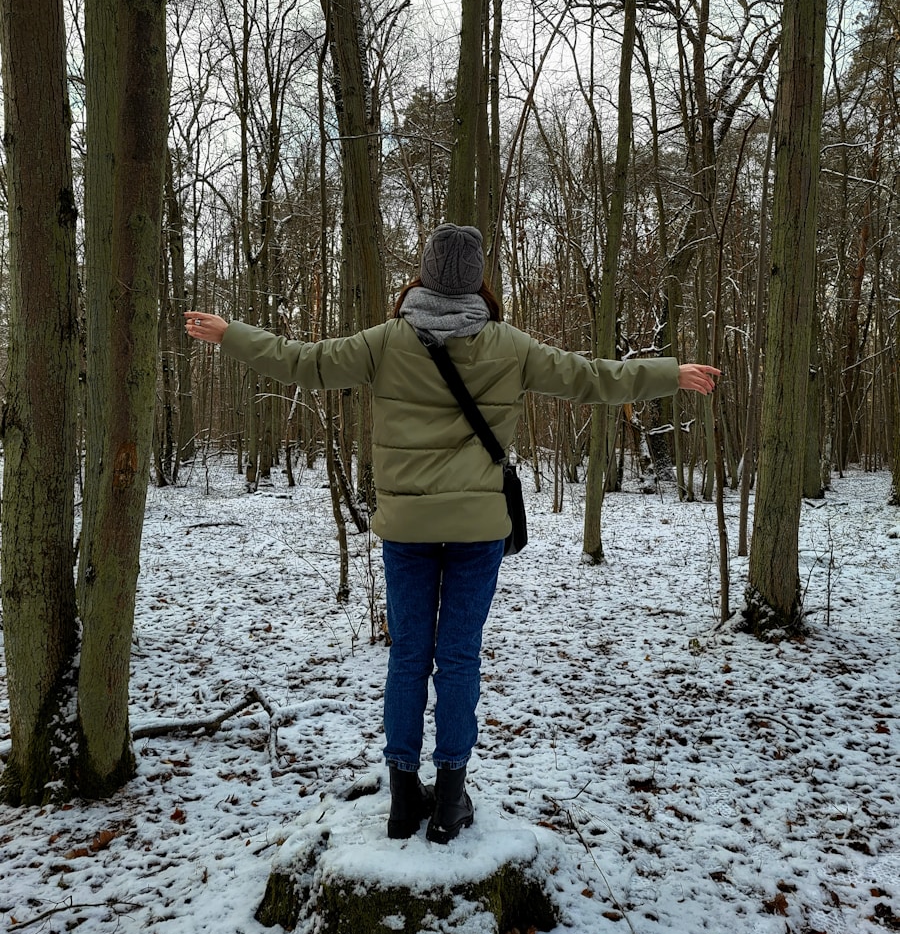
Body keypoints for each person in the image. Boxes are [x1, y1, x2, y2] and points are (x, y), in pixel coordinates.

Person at [186, 224, 719, 844]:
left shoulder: (386, 341)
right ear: (477, 280)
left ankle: (401, 797)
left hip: (407, 527)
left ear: (423, 273)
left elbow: (304, 364)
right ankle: (450, 796)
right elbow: (590, 378)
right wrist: (668, 373)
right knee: (459, 655)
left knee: (409, 654)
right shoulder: (508, 346)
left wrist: (232, 335)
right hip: (476, 529)